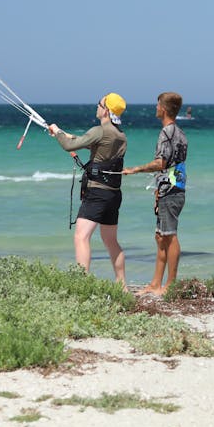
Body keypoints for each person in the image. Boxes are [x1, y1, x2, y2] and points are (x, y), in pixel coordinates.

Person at [48, 93, 128, 290]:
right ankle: (122, 285)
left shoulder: (99, 130)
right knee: (111, 241)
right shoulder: (120, 136)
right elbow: (84, 141)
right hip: (113, 195)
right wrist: (61, 133)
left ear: (106, 110)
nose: (97, 106)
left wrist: (58, 132)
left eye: (99, 104)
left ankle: (81, 283)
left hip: (97, 194)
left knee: (81, 237)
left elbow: (70, 145)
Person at [123, 92, 188, 295]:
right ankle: (155, 283)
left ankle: (170, 285)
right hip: (169, 188)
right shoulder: (179, 133)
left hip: (173, 189)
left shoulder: (167, 133)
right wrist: (158, 191)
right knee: (160, 237)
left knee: (169, 235)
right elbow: (169, 168)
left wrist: (134, 169)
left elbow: (161, 163)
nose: (155, 108)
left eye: (157, 105)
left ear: (164, 109)